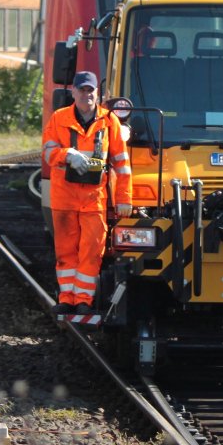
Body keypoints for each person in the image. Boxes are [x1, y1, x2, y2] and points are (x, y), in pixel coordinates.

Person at [42, 70, 133, 316]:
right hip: (65, 198)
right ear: (73, 92)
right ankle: (66, 298)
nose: (86, 94)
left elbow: (122, 164)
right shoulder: (59, 118)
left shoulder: (109, 121)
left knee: (92, 252)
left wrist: (124, 199)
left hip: (94, 199)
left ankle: (83, 300)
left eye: (90, 90)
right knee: (66, 253)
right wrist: (67, 156)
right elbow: (48, 154)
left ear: (97, 93)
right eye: (81, 90)